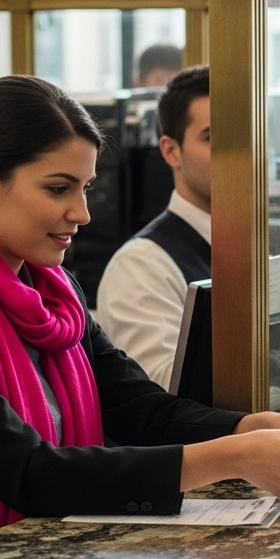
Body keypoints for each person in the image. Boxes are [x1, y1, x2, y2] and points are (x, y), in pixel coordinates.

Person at [0, 75, 280, 529]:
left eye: (85, 188)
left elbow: (140, 409)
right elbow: (27, 472)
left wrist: (252, 428)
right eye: (59, 189)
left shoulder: (57, 294)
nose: (82, 213)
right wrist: (233, 456)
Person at [97, 66, 211, 389]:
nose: (239, 154)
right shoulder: (141, 266)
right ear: (171, 151)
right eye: (213, 137)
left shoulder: (261, 247)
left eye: (247, 134)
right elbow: (165, 393)